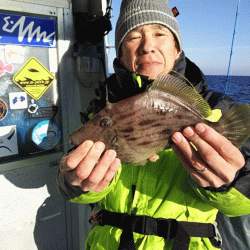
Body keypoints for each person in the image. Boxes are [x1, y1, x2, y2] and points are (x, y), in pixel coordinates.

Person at [57, 0, 250, 249]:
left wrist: (229, 182)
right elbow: (71, 186)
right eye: (133, 37)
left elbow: (243, 203)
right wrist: (76, 183)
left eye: (160, 34)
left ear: (177, 49)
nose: (148, 46)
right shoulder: (99, 107)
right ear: (120, 52)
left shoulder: (218, 109)